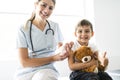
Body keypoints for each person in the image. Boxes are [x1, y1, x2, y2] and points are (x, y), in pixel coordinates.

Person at [14, 0, 70, 80]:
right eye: (43, 5)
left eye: (50, 8)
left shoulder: (55, 26)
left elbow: (59, 49)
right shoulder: (23, 28)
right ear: (36, 5)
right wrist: (53, 58)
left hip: (47, 70)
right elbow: (24, 62)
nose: (47, 10)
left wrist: (65, 49)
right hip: (25, 72)